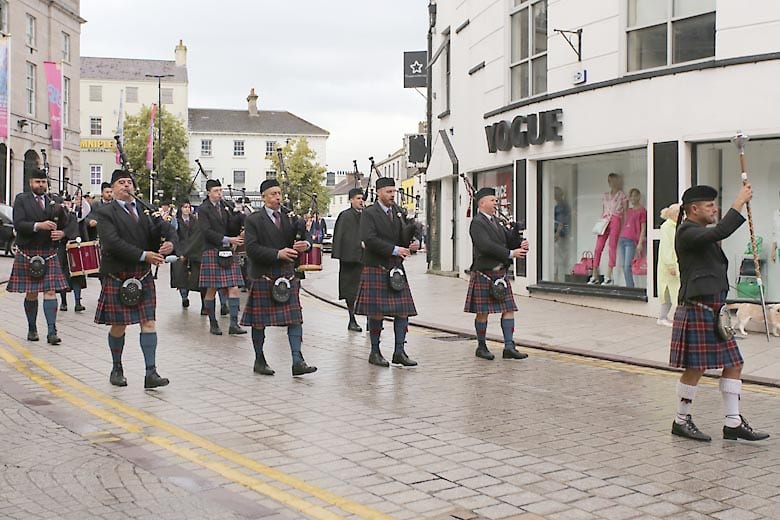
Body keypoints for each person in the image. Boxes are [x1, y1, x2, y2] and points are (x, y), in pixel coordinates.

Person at [669, 184, 768, 442]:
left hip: (715, 311)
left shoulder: (700, 232)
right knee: (696, 367)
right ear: (694, 209)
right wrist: (739, 201)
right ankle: (681, 420)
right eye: (710, 205)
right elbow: (722, 230)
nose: (715, 209)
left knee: (734, 364)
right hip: (698, 308)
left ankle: (733, 422)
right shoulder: (686, 231)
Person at [93, 169, 175, 389]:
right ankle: (117, 367)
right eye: (121, 182)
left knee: (148, 322)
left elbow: (163, 232)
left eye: (129, 182)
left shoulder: (144, 209)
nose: (127, 186)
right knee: (119, 325)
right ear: (112, 188)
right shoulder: (105, 212)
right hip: (118, 274)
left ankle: (151, 373)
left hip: (143, 274)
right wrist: (143, 255)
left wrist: (169, 244)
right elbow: (112, 243)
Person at [241, 179, 316, 377]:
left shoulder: (290, 218)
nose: (277, 197)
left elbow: (306, 236)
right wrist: (277, 254)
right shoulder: (254, 220)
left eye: (279, 194)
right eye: (273, 194)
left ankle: (297, 361)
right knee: (259, 322)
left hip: (286, 275)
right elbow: (252, 248)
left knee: (295, 319)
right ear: (263, 197)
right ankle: (259, 359)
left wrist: (305, 245)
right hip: (264, 274)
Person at [354, 177, 420, 367]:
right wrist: (395, 249)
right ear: (378, 192)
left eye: (394, 192)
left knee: (403, 312)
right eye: (389, 192)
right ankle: (375, 351)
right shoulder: (369, 213)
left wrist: (413, 242)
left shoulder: (398, 212)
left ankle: (399, 351)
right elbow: (370, 239)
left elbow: (402, 237)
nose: (392, 195)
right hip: (377, 266)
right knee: (377, 313)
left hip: (396, 269)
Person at [465, 187, 530, 361]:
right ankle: (481, 346)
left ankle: (509, 347)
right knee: (483, 312)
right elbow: (485, 246)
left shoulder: (497, 221)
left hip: (499, 273)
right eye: (492, 200)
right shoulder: (477, 223)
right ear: (482, 203)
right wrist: (510, 254)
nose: (495, 203)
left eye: (495, 200)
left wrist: (520, 243)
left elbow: (508, 240)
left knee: (509, 309)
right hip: (484, 273)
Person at [7, 169, 69, 344]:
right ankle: (32, 328)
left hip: (48, 252)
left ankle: (52, 331)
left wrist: (62, 233)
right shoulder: (21, 199)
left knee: (50, 291)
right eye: (37, 182)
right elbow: (18, 224)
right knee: (32, 293)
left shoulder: (54, 201)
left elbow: (70, 222)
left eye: (43, 182)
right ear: (30, 183)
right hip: (28, 251)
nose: (41, 185)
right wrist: (38, 225)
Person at [198, 179, 246, 336]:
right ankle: (213, 323)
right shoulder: (203, 209)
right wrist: (228, 239)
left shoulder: (226, 207)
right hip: (212, 250)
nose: (220, 194)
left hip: (226, 251)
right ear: (208, 192)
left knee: (234, 287)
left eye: (220, 190)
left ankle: (233, 324)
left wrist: (239, 217)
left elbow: (230, 226)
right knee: (211, 289)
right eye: (216, 191)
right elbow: (206, 232)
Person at [332, 188, 365, 332]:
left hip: (365, 259)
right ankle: (352, 320)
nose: (361, 201)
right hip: (349, 260)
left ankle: (371, 321)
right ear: (351, 200)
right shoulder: (344, 216)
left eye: (362, 198)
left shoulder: (366, 215)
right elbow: (339, 237)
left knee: (367, 291)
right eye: (358, 198)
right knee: (350, 292)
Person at [589, 173, 627, 285]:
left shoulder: (621, 195)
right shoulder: (605, 195)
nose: (613, 183)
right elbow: (603, 209)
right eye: (611, 181)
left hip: (616, 219)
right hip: (605, 220)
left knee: (612, 247)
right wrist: (600, 222)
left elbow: (625, 212)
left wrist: (624, 226)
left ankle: (608, 275)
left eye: (615, 181)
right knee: (598, 248)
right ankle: (594, 274)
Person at [56, 193, 90, 312]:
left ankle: (77, 302)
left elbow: (86, 210)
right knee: (63, 275)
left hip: (74, 246)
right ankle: (64, 302)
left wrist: (81, 199)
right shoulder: (57, 215)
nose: (66, 205)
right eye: (64, 203)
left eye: (68, 203)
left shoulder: (74, 214)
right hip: (61, 248)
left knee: (77, 274)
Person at [618, 188, 647, 288]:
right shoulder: (628, 210)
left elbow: (643, 227)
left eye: (635, 195)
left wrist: (640, 243)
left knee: (627, 266)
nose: (633, 198)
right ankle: (629, 286)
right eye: (631, 196)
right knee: (624, 266)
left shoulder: (642, 211)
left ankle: (630, 288)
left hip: (631, 240)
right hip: (623, 238)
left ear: (639, 196)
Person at [657, 203, 680, 326]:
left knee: (675, 292)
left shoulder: (677, 226)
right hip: (669, 266)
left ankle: (667, 317)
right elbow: (666, 248)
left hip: (676, 264)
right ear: (672, 214)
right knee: (668, 292)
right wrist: (671, 265)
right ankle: (662, 317)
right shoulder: (667, 227)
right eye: (678, 212)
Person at [170, 202, 196, 308]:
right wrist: (178, 252)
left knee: (191, 276)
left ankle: (187, 294)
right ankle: (184, 297)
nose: (187, 209)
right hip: (180, 250)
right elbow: (173, 237)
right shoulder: (176, 221)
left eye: (188, 207)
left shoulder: (194, 220)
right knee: (181, 276)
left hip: (192, 251)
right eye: (185, 207)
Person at [553, 186, 571, 282]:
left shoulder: (561, 206)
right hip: (559, 233)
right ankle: (557, 276)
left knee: (558, 256)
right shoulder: (559, 205)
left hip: (560, 234)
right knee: (558, 256)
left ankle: (558, 277)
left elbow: (561, 221)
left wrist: (557, 233)